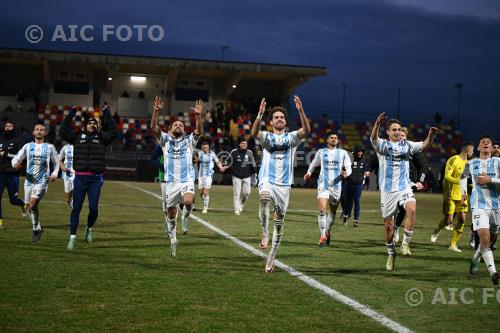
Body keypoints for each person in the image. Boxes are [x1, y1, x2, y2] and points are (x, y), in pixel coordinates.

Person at [370, 113, 438, 271]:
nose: (397, 132)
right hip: (388, 191)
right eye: (394, 129)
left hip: (404, 187)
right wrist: (377, 124)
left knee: (412, 209)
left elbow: (424, 145)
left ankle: (405, 244)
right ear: (388, 132)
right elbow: (373, 138)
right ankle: (390, 253)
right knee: (388, 226)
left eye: (399, 129)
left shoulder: (407, 145)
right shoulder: (382, 145)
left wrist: (431, 135)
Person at [250, 95, 310, 273]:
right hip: (267, 178)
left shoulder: (291, 138)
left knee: (279, 222)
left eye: (282, 117)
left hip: (284, 184)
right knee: (264, 197)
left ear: (285, 121)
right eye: (276, 117)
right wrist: (259, 115)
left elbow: (305, 130)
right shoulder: (266, 137)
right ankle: (264, 232)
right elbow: (254, 133)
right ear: (271, 122)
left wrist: (300, 111)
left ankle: (272, 256)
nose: (279, 119)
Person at [150, 96, 204, 257]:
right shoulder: (165, 140)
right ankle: (173, 239)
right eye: (175, 124)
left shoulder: (189, 141)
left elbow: (199, 131)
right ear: (170, 129)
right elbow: (153, 127)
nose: (179, 125)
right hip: (170, 183)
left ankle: (186, 216)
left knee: (188, 201)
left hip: (186, 179)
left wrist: (198, 115)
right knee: (171, 213)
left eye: (181, 124)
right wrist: (156, 111)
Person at [60, 104, 117, 251]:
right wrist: (72, 112)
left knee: (93, 209)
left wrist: (106, 113)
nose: (92, 124)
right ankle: (72, 237)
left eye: (94, 123)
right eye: (90, 122)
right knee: (76, 209)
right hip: (79, 179)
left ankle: (89, 228)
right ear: (86, 125)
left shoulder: (102, 138)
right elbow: (63, 130)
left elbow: (113, 131)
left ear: (97, 126)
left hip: (95, 180)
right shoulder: (77, 137)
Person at [11, 123, 59, 242]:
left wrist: (54, 174)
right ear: (33, 132)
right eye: (37, 130)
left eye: (41, 130)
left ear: (45, 133)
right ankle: (37, 228)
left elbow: (57, 163)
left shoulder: (49, 147)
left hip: (42, 180)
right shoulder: (28, 146)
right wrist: (15, 163)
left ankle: (35, 229)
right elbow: (16, 158)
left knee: (32, 205)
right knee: (30, 207)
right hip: (29, 180)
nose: (39, 131)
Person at [304, 133, 351, 247]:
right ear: (327, 140)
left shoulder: (343, 153)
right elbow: (313, 164)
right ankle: (322, 237)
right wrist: (309, 173)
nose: (334, 139)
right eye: (332, 138)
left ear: (338, 141)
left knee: (333, 212)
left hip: (336, 185)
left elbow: (349, 167)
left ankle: (328, 232)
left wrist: (346, 173)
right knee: (321, 210)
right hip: (323, 184)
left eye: (336, 138)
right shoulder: (321, 152)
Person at [464, 135, 500, 285]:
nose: (486, 143)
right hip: (479, 206)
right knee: (484, 238)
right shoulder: (471, 164)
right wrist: (462, 192)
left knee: (489, 242)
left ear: (492, 148)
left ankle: (475, 258)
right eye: (483, 142)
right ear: (478, 148)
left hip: (496, 206)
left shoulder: (498, 162)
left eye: (489, 142)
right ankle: (493, 272)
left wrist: (490, 180)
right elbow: (462, 177)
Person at [430, 141, 474, 252]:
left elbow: (469, 180)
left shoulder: (469, 164)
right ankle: (436, 230)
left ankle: (453, 244)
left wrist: (473, 185)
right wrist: (459, 182)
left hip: (463, 195)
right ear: (467, 150)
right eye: (472, 150)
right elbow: (447, 176)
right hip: (450, 194)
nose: (473, 152)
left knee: (462, 220)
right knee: (448, 220)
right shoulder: (453, 159)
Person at [393, 127, 428, 242]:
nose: (400, 138)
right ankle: (393, 228)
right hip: (392, 184)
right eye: (399, 136)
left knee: (403, 209)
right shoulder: (391, 149)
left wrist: (420, 181)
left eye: (403, 136)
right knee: (393, 209)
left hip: (408, 184)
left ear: (406, 138)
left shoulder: (412, 150)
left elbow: (423, 166)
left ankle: (396, 228)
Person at [0, 119, 27, 229]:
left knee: (13, 200)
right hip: (0, 173)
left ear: (13, 128)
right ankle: (0, 222)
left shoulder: (18, 140)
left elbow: (22, 156)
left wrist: (5, 153)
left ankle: (23, 205)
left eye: (10, 126)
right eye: (6, 126)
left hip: (12, 175)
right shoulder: (0, 139)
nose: (8, 127)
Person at [341, 145, 370, 227]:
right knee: (348, 201)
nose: (360, 153)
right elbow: (343, 168)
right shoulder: (350, 159)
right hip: (349, 183)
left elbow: (367, 168)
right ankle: (346, 215)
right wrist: (343, 172)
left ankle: (356, 220)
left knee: (357, 200)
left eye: (361, 152)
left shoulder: (364, 159)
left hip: (359, 184)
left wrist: (367, 171)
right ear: (356, 151)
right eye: (359, 151)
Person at [227, 137, 257, 215]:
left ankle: (241, 203)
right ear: (239, 144)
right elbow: (228, 161)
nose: (244, 145)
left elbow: (253, 163)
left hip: (247, 176)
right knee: (237, 193)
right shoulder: (234, 152)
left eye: (245, 143)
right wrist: (230, 168)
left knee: (247, 193)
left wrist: (255, 173)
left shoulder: (250, 152)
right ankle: (236, 209)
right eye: (242, 143)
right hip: (236, 176)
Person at [196, 141, 227, 214]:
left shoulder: (212, 154)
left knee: (205, 192)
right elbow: (195, 157)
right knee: (201, 193)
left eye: (206, 147)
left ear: (208, 147)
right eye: (203, 147)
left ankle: (205, 208)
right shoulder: (199, 153)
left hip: (208, 175)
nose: (204, 149)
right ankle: (205, 202)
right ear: (201, 148)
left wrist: (221, 167)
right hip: (200, 175)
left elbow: (217, 162)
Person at [59, 143, 75, 208]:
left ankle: (75, 208)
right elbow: (59, 159)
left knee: (77, 189)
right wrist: (62, 166)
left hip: (78, 173)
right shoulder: (66, 147)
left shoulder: (82, 147)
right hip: (68, 174)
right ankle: (70, 202)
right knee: (68, 197)